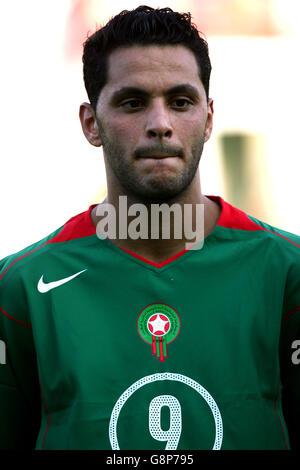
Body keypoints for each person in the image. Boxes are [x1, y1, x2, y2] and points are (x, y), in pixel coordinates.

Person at [0, 5, 299, 451]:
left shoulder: (287, 271)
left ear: (209, 117)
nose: (160, 125)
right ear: (90, 123)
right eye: (132, 102)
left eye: (180, 102)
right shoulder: (21, 286)